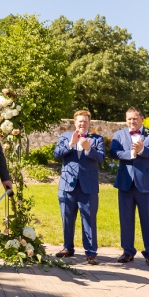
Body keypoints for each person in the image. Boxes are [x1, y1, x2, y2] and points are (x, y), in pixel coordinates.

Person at [109, 107, 149, 268]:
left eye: (134, 119)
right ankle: (127, 252)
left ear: (142, 119)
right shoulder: (119, 135)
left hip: (147, 185)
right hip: (125, 183)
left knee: (148, 221)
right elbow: (113, 153)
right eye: (129, 119)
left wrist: (143, 151)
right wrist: (130, 154)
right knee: (125, 220)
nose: (131, 122)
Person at [53, 110, 105, 265]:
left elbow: (101, 158)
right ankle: (67, 248)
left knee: (89, 220)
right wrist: (71, 144)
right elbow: (56, 154)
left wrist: (89, 149)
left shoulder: (97, 139)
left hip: (88, 187)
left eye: (85, 121)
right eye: (80, 121)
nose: (82, 124)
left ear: (89, 123)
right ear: (74, 122)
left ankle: (91, 252)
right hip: (67, 185)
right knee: (67, 218)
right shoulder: (65, 137)